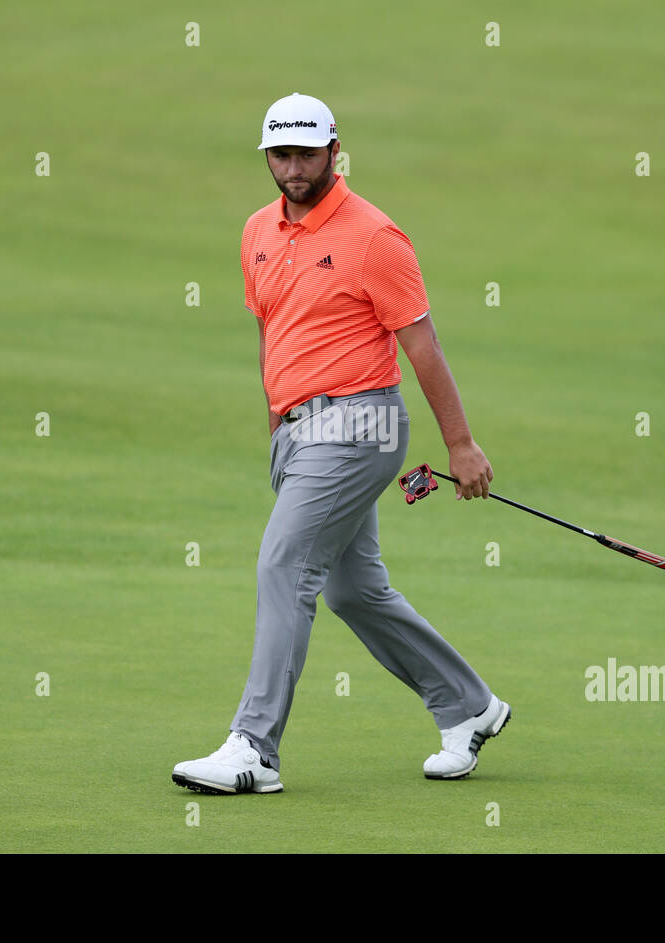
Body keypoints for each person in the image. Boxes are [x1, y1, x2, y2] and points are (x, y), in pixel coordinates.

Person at [172, 93, 510, 795]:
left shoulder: (374, 236)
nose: (293, 168)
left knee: (283, 565)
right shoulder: (258, 230)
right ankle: (469, 705)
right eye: (280, 155)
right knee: (354, 590)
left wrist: (462, 443)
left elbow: (423, 345)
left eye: (305, 153)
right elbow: (273, 330)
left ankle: (254, 749)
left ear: (334, 150)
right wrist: (277, 431)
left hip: (364, 421)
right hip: (300, 430)